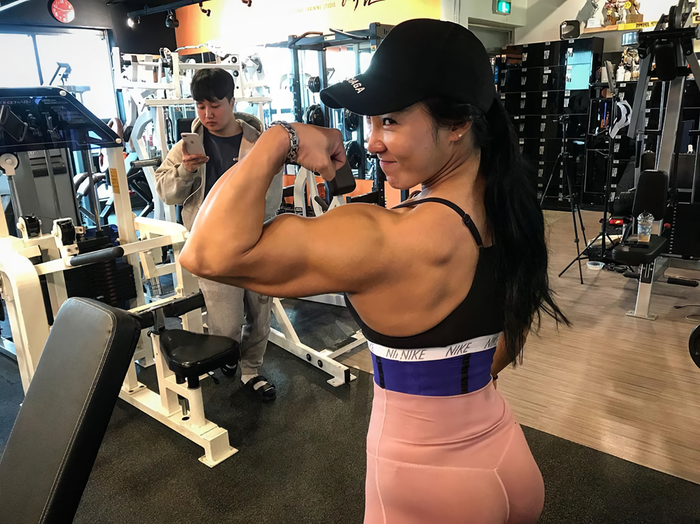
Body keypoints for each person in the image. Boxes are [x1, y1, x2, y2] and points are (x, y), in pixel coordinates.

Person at [180, 19, 569, 523]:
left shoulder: (386, 237)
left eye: (391, 121)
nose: (373, 141)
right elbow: (503, 344)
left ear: (458, 124)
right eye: (370, 122)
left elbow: (206, 253)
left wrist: (281, 139)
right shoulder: (513, 211)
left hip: (426, 486)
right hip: (506, 459)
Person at [155, 68, 282, 401]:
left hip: (255, 242)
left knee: (259, 315)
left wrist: (255, 229)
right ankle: (228, 354)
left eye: (215, 105)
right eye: (200, 106)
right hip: (212, 245)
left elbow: (272, 195)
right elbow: (166, 192)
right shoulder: (186, 147)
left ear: (231, 101)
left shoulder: (259, 144)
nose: (207, 114)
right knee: (226, 322)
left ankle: (251, 371)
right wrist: (186, 170)